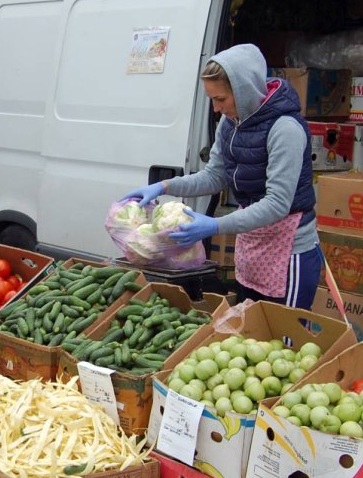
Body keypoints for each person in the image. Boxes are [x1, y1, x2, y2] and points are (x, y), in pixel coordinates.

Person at [123, 43, 323, 308]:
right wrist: (164, 186)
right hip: (253, 246)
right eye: (212, 100)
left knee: (286, 333)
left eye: (221, 99)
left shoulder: (285, 130)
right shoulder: (230, 124)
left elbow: (277, 204)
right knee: (250, 330)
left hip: (289, 254)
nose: (216, 109)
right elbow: (215, 176)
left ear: (244, 91)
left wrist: (215, 226)